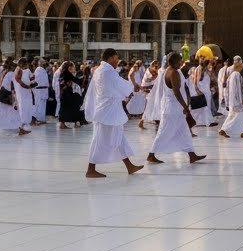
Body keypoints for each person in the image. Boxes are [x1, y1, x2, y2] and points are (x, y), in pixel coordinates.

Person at [84, 49, 146, 178]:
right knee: (99, 140)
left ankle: (130, 166)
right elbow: (119, 85)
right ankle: (90, 169)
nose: (117, 61)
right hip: (107, 112)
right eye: (116, 58)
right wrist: (131, 88)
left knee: (119, 139)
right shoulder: (107, 72)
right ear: (111, 58)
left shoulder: (100, 71)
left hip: (108, 111)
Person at [147, 53, 206, 165]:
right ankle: (151, 155)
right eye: (179, 61)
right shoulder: (173, 73)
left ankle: (192, 155)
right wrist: (185, 106)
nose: (181, 63)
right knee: (163, 133)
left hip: (173, 108)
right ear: (174, 61)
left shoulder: (167, 71)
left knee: (184, 132)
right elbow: (177, 92)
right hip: (172, 110)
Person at [219, 55, 243, 138]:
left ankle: (241, 132)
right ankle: (224, 129)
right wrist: (241, 101)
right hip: (237, 100)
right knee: (238, 115)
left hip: (232, 100)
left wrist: (227, 100)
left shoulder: (232, 74)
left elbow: (227, 87)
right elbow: (238, 90)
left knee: (234, 115)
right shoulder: (237, 75)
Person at [57, 61, 87, 128]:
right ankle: (76, 122)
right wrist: (82, 78)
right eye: (71, 67)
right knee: (75, 106)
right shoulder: (66, 73)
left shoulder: (63, 73)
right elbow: (75, 80)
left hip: (64, 94)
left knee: (64, 108)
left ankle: (62, 123)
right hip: (68, 94)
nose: (72, 68)